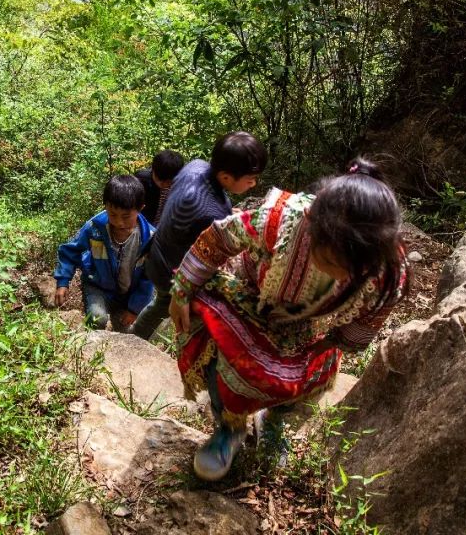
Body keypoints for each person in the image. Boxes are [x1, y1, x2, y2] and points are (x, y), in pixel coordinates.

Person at [169, 158, 410, 481]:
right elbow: (219, 239)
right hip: (247, 298)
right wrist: (182, 290)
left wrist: (326, 346)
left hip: (314, 327)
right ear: (313, 228)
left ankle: (274, 420)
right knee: (225, 363)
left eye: (346, 267)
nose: (335, 271)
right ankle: (229, 427)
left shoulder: (387, 274)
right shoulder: (282, 220)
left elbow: (363, 326)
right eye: (329, 258)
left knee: (304, 379)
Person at [128, 132, 267, 340]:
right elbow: (209, 254)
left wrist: (229, 215)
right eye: (251, 179)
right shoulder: (210, 212)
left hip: (158, 251)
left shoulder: (197, 166)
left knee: (161, 303)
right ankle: (138, 338)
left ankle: (137, 334)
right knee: (172, 307)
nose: (254, 184)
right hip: (172, 269)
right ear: (227, 177)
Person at [53, 175, 156, 330]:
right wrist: (63, 282)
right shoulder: (95, 228)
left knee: (136, 330)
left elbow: (149, 277)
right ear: (106, 207)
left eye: (126, 216)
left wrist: (134, 308)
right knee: (96, 319)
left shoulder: (149, 237)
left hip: (131, 292)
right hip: (98, 286)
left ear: (140, 208)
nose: (119, 222)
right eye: (112, 214)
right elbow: (70, 250)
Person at [134, 149, 184, 226]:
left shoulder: (180, 186)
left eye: (167, 181)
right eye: (158, 179)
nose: (162, 184)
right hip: (142, 226)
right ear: (153, 170)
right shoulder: (141, 180)